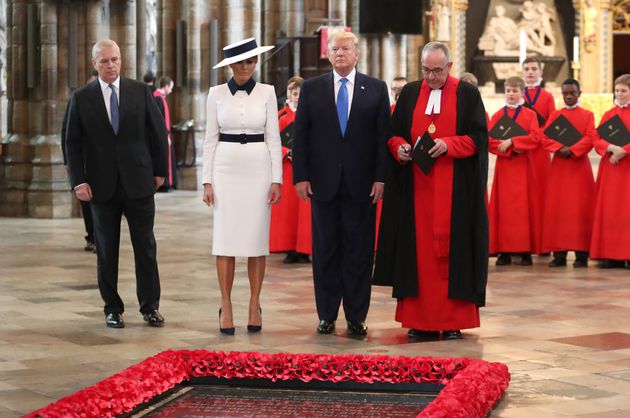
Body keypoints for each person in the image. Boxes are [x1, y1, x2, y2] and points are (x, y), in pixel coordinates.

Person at [373, 42, 488, 341]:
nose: (431, 77)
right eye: (426, 70)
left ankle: (452, 320)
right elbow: (392, 132)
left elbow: (478, 138)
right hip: (416, 193)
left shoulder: (467, 94)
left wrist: (449, 145)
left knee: (453, 255)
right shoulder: (410, 93)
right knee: (417, 255)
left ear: (449, 67)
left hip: (455, 191)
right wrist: (399, 148)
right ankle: (419, 321)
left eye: (437, 71)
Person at [292, 31, 390, 337]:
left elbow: (381, 138)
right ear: (328, 54)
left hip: (362, 185)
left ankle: (357, 316)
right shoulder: (312, 89)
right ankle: (327, 315)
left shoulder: (375, 89)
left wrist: (381, 177)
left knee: (359, 253)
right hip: (323, 184)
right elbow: (302, 136)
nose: (340, 54)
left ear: (357, 54)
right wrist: (300, 176)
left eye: (346, 49)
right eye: (334, 49)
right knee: (325, 252)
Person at [65, 39, 168, 329]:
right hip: (100, 185)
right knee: (107, 249)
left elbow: (158, 133)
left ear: (121, 60)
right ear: (94, 64)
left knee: (146, 246)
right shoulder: (82, 98)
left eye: (115, 59)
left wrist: (160, 172)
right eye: (104, 61)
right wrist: (78, 181)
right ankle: (112, 307)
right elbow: (71, 143)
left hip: (139, 181)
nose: (111, 65)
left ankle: (150, 306)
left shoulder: (140, 91)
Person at [202, 38, 282, 335]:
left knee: (256, 241)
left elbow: (273, 137)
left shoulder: (268, 92)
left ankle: (254, 303)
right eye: (239, 62)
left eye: (250, 61)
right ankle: (226, 305)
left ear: (256, 63)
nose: (245, 67)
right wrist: (206, 180)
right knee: (225, 240)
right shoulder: (216, 94)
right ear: (230, 66)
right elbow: (210, 138)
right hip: (225, 168)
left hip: (258, 169)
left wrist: (277, 178)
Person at [513, 79, 595, 267]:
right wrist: (559, 148)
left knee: (580, 209)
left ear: (579, 93)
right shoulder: (556, 115)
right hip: (559, 167)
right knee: (559, 209)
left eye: (572, 93)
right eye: (565, 93)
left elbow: (591, 137)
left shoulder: (588, 115)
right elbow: (544, 136)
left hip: (579, 166)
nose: (568, 96)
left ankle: (582, 254)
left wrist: (573, 150)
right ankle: (559, 253)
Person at [488, 76, 541, 266]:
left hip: (523, 166)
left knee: (524, 208)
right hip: (505, 166)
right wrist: (507, 148)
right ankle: (504, 251)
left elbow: (536, 137)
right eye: (508, 91)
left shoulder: (530, 115)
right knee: (503, 209)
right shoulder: (497, 116)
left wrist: (513, 142)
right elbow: (490, 140)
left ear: (522, 92)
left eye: (515, 91)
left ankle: (525, 250)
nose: (511, 94)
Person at [269, 76, 312, 264]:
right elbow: (270, 141)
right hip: (286, 168)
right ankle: (289, 248)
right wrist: (286, 152)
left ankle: (304, 249)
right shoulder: (280, 116)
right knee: (287, 210)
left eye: (300, 94)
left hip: (305, 167)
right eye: (293, 93)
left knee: (304, 211)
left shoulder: (313, 114)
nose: (296, 97)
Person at [590, 74, 630, 269]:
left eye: (623, 91)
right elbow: (596, 138)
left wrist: (624, 151)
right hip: (611, 168)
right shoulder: (608, 114)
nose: (619, 94)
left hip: (627, 169)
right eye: (617, 91)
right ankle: (611, 255)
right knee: (610, 211)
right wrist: (610, 148)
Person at [61, 69, 99, 253]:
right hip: (83, 162)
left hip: (103, 163)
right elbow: (66, 133)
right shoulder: (77, 100)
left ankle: (100, 238)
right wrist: (68, 161)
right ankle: (91, 235)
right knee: (87, 203)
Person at [522, 56, 554, 241]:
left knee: (541, 194)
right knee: (524, 196)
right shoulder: (517, 94)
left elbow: (551, 123)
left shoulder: (547, 96)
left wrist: (536, 137)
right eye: (527, 69)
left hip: (540, 151)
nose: (531, 72)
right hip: (523, 151)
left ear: (541, 71)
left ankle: (541, 240)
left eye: (534, 69)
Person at [153, 76, 178, 192]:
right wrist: (165, 135)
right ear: (166, 86)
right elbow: (159, 120)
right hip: (162, 136)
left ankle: (169, 184)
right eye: (171, 88)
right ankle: (165, 184)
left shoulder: (160, 97)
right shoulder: (157, 98)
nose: (171, 91)